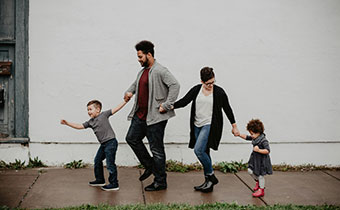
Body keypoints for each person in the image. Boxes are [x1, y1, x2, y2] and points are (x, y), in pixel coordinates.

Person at [124, 40, 180, 191]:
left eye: (140, 56)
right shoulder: (142, 71)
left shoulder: (160, 70)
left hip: (155, 118)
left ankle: (160, 181)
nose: (139, 59)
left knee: (156, 149)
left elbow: (175, 85)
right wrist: (129, 91)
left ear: (149, 54)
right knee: (131, 138)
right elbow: (136, 84)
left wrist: (166, 105)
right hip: (140, 115)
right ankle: (150, 166)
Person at [173, 67, 240, 192]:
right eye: (208, 83)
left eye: (213, 82)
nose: (211, 85)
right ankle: (208, 183)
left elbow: (227, 109)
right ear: (202, 81)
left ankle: (211, 175)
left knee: (198, 151)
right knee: (205, 152)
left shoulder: (219, 92)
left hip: (210, 125)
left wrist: (234, 126)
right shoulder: (196, 90)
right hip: (196, 125)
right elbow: (184, 101)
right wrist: (170, 106)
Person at [60, 99, 127, 191]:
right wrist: (67, 123)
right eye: (87, 110)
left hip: (111, 142)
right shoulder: (90, 122)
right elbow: (79, 126)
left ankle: (114, 183)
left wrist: (125, 101)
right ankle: (100, 180)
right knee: (97, 160)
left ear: (98, 109)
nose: (88, 112)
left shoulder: (104, 115)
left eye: (90, 109)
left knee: (110, 163)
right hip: (103, 144)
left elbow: (116, 109)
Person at [236, 119, 273, 197]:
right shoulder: (255, 138)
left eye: (252, 134)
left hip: (262, 161)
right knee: (250, 170)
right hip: (255, 160)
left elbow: (267, 150)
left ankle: (261, 190)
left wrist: (259, 150)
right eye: (250, 134)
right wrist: (239, 134)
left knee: (260, 175)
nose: (251, 135)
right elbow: (246, 137)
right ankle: (258, 182)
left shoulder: (263, 140)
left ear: (258, 132)